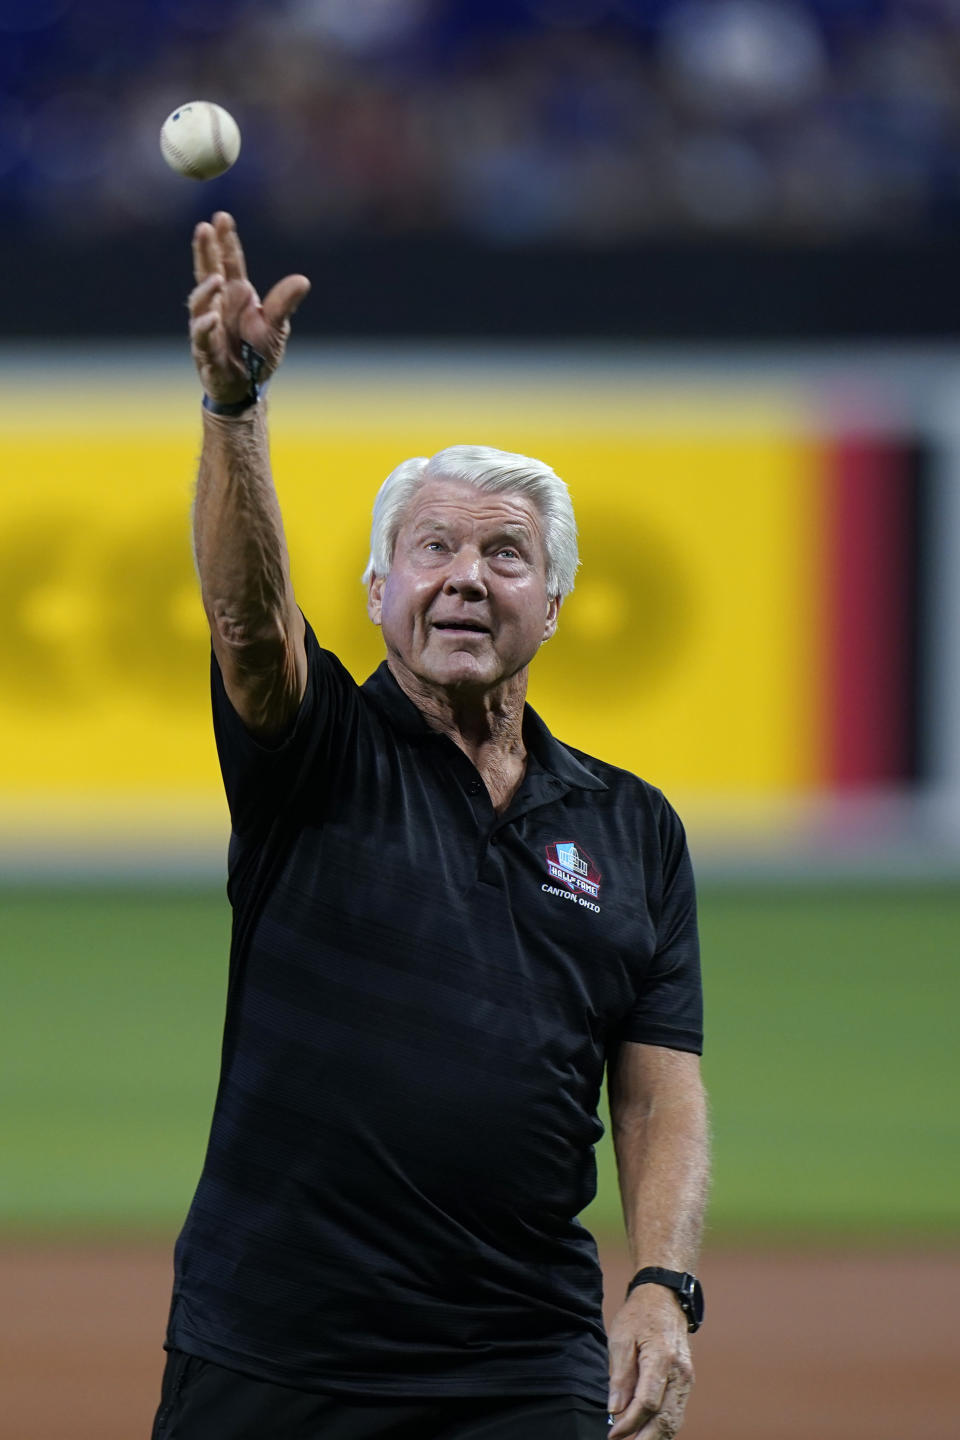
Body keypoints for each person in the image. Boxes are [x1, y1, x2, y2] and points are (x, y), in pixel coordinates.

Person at [152, 210, 709, 1440]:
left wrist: (665, 1286)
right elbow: (250, 626)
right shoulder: (318, 754)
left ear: (553, 604)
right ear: (378, 592)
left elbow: (659, 1092)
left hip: (521, 1364)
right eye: (433, 549)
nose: (466, 576)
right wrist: (234, 412)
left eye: (506, 556)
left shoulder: (636, 828)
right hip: (278, 1353)